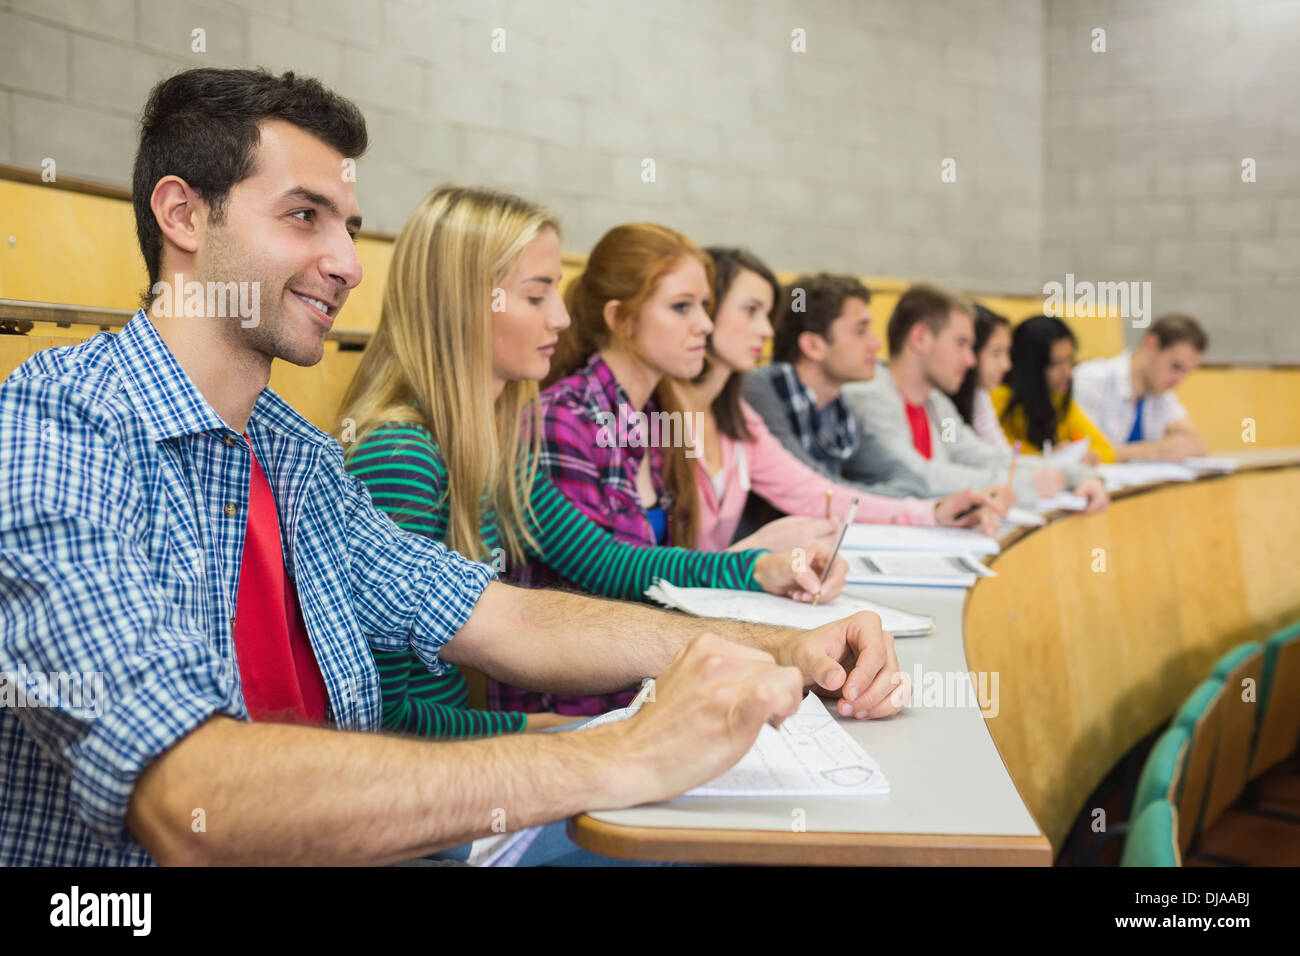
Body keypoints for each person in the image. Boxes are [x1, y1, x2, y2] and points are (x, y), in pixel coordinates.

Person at [0, 68, 903, 867]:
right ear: (183, 215)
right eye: (303, 217)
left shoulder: (291, 451)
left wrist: (784, 647)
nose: (349, 263)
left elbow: (497, 616)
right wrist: (610, 753)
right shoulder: (56, 432)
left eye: (350, 225)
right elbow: (188, 800)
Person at [336, 186, 845, 734]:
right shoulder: (401, 457)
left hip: (480, 750)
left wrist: (759, 568)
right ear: (463, 306)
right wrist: (549, 733)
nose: (560, 317)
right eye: (537, 297)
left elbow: (612, 563)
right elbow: (383, 718)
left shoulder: (492, 450)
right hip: (448, 778)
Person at [671, 252, 1007, 552]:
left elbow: (816, 492)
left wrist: (930, 512)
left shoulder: (739, 415)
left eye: (766, 314)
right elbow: (817, 492)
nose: (766, 331)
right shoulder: (756, 393)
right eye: (751, 311)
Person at [843, 284, 1108, 512]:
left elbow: (985, 457)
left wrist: (1072, 474)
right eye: (961, 343)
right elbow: (919, 477)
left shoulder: (934, 403)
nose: (970, 360)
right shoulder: (869, 395)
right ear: (921, 338)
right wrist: (1029, 484)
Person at [741, 270, 936, 499]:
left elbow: (913, 482)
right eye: (861, 330)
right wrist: (883, 500)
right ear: (813, 346)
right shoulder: (759, 393)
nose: (876, 343)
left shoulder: (841, 411)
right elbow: (817, 493)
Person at [1071, 314, 1210, 461]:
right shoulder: (1090, 380)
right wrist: (1155, 450)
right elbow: (1077, 453)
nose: (1179, 381)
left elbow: (1198, 444)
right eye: (1175, 367)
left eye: (1186, 372)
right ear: (1151, 344)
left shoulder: (1161, 395)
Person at [990, 315, 1117, 464]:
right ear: (1031, 366)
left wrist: (1084, 455)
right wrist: (1047, 458)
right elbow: (996, 456)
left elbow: (1106, 449)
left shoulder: (1057, 399)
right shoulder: (998, 400)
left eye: (1070, 360)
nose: (1068, 372)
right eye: (1056, 363)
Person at [950, 304, 1014, 452]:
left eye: (1007, 352)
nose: (1006, 365)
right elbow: (950, 461)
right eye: (996, 353)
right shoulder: (944, 401)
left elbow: (1000, 452)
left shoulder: (978, 394)